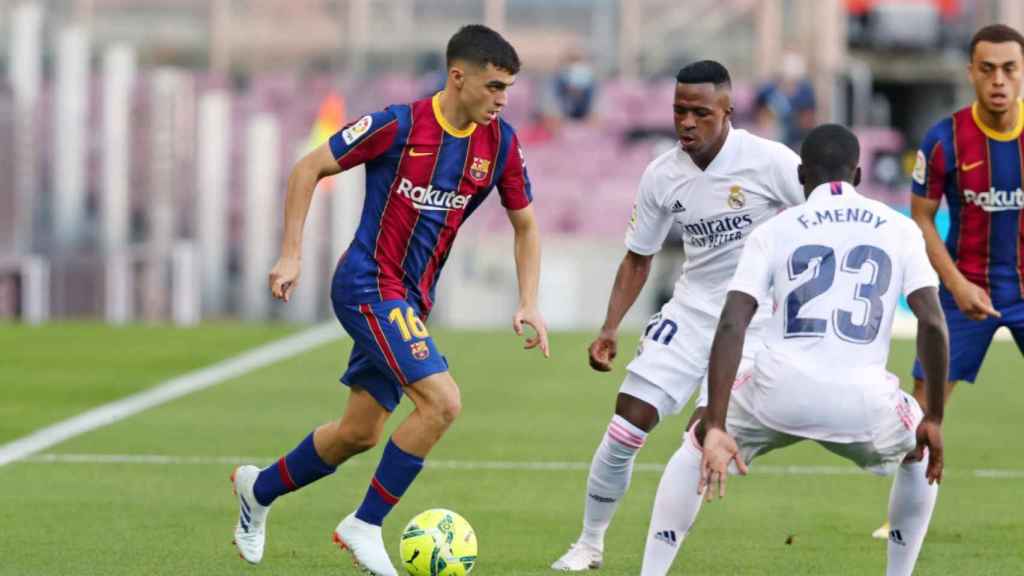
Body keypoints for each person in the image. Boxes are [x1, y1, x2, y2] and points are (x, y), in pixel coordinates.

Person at [229, 24, 549, 576]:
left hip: (411, 301)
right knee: (443, 402)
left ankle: (257, 489)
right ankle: (365, 524)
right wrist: (290, 255)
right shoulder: (397, 125)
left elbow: (526, 226)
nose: (502, 99)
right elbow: (308, 168)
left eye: (507, 90)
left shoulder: (500, 144)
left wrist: (528, 301)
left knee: (359, 433)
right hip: (368, 284)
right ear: (458, 76)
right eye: (494, 86)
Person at [638, 124, 948, 576]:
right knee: (918, 448)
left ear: (801, 175)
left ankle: (651, 572)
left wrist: (718, 422)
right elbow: (934, 323)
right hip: (862, 402)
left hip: (775, 392)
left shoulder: (775, 229)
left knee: (695, 441)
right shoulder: (899, 228)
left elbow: (733, 322)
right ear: (859, 174)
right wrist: (934, 417)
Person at [551, 60, 805, 571]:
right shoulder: (662, 174)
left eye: (700, 112)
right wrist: (608, 328)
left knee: (700, 435)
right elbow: (637, 257)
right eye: (679, 110)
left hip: (753, 324)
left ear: (728, 111)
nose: (686, 122)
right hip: (691, 311)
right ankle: (589, 542)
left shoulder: (771, 161)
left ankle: (655, 564)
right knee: (626, 424)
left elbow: (819, 219)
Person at [872, 21, 1024, 540]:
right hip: (964, 285)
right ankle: (903, 518)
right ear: (971, 73)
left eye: (1009, 69)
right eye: (988, 69)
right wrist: (956, 285)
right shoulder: (943, 140)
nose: (999, 80)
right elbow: (920, 219)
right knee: (924, 401)